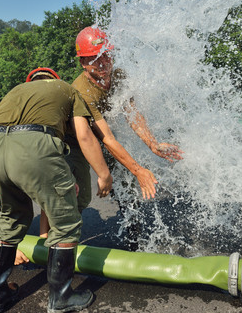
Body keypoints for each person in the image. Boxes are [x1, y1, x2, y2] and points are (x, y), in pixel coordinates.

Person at [40, 27, 184, 245]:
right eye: (95, 58)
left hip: (99, 136)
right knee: (74, 193)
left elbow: (132, 113)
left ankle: (132, 231)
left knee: (124, 179)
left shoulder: (118, 75)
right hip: (73, 142)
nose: (103, 62)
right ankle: (54, 241)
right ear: (83, 63)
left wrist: (153, 145)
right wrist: (139, 170)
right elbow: (107, 138)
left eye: (106, 55)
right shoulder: (82, 90)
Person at [0, 71, 113, 313]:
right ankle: (61, 298)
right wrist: (104, 174)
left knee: (10, 217)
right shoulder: (67, 89)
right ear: (54, 78)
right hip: (35, 143)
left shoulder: (16, 90)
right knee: (66, 222)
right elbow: (84, 135)